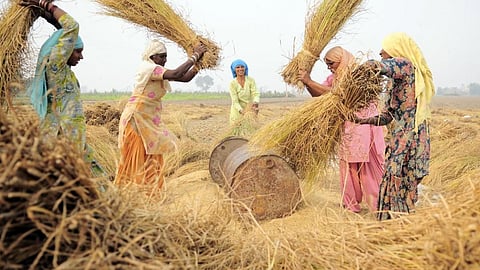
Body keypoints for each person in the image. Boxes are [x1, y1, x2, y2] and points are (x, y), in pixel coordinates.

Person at [355, 32, 434, 220]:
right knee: (393, 180)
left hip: (410, 137)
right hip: (400, 136)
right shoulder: (396, 81)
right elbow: (388, 115)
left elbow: (379, 65)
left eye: (385, 49)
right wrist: (365, 120)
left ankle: (400, 226)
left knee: (402, 180)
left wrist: (363, 69)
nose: (381, 52)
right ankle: (393, 226)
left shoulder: (405, 66)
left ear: (396, 50)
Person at [298, 46, 386, 213]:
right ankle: (351, 204)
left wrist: (310, 81)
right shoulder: (334, 77)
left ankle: (377, 205)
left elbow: (339, 94)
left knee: (366, 167)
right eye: (328, 65)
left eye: (332, 63)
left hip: (365, 125)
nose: (330, 67)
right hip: (348, 129)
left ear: (342, 59)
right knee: (348, 167)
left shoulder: (358, 76)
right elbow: (319, 94)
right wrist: (307, 82)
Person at [22, 0, 104, 177]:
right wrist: (45, 4)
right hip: (63, 139)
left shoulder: (65, 71)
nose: (81, 56)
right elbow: (72, 26)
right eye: (78, 51)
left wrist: (47, 17)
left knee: (93, 182)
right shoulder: (55, 67)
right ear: (65, 51)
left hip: (73, 140)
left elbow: (64, 33)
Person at [115, 39, 207, 193]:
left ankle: (150, 192)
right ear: (152, 57)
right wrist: (195, 55)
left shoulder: (156, 69)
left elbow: (184, 77)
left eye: (166, 57)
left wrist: (200, 65)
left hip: (148, 119)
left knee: (152, 152)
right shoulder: (148, 68)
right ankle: (130, 192)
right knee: (136, 155)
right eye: (162, 56)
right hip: (136, 119)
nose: (165, 60)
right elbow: (177, 73)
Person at [228, 59, 260, 135]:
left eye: (242, 67)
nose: (240, 69)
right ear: (234, 70)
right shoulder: (232, 84)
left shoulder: (250, 80)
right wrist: (242, 111)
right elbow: (235, 101)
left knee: (250, 132)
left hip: (249, 110)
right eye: (237, 67)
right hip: (237, 112)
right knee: (236, 133)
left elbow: (255, 93)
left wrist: (255, 102)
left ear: (245, 68)